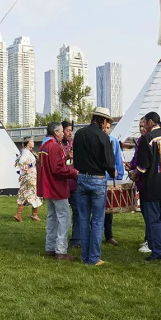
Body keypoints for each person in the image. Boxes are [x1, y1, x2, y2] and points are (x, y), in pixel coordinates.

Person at [72, 107, 116, 266]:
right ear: (103, 121)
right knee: (97, 220)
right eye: (107, 123)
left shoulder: (79, 134)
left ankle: (85, 256)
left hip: (82, 178)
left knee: (84, 219)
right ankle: (94, 258)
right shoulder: (103, 137)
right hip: (98, 180)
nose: (106, 126)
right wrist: (113, 173)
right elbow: (109, 163)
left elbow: (75, 161)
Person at [132, 111, 161, 263]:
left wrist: (134, 173)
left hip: (152, 186)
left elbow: (143, 166)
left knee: (153, 221)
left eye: (144, 123)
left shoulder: (148, 138)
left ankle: (159, 253)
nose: (143, 126)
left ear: (151, 122)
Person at [37, 122, 78, 261]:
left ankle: (50, 247)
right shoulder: (54, 145)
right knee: (64, 217)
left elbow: (52, 165)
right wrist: (74, 173)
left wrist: (65, 158)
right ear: (55, 132)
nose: (63, 134)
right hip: (57, 187)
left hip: (47, 187)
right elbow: (57, 169)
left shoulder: (43, 145)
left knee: (52, 217)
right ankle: (60, 250)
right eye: (61, 131)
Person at [127, 117, 152, 254]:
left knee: (150, 214)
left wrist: (136, 172)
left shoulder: (150, 140)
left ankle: (151, 241)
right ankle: (149, 238)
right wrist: (131, 165)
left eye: (143, 125)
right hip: (142, 183)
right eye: (139, 126)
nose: (141, 128)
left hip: (149, 182)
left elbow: (146, 162)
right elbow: (137, 159)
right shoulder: (142, 140)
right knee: (145, 212)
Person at [102, 119, 124, 246]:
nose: (106, 130)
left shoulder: (114, 141)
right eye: (104, 127)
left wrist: (119, 177)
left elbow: (118, 161)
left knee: (109, 210)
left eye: (108, 128)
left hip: (110, 180)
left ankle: (109, 235)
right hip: (97, 179)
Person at [61, 121, 80, 248]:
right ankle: (60, 240)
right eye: (67, 130)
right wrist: (67, 156)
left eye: (71, 130)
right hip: (62, 184)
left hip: (74, 183)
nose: (70, 133)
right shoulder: (56, 145)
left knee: (77, 212)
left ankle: (76, 239)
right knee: (62, 214)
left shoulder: (74, 144)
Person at [14, 137, 42, 222]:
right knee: (31, 194)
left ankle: (27, 215)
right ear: (27, 143)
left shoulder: (27, 151)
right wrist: (30, 166)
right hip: (29, 177)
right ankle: (29, 215)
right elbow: (21, 162)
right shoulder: (26, 152)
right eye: (31, 141)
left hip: (29, 176)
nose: (33, 142)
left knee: (28, 194)